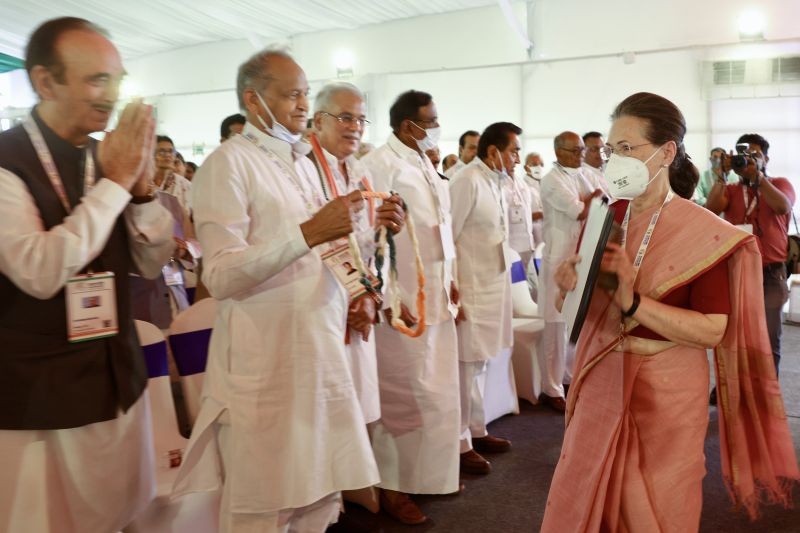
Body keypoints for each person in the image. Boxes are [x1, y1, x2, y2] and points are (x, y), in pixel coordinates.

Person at [541, 92, 798, 532]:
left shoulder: (701, 231)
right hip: (602, 378)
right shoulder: (606, 216)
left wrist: (635, 303)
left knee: (658, 504)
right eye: (610, 150)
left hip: (667, 394)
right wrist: (570, 287)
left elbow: (713, 330)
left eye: (626, 149)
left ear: (666, 152)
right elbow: (580, 309)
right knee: (590, 493)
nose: (613, 161)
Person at [173, 49, 394, 533]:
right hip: (266, 364)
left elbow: (326, 248)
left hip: (319, 354)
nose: (301, 104)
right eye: (291, 94)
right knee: (262, 507)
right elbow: (222, 275)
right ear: (254, 99)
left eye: (304, 92)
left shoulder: (303, 164)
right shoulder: (226, 164)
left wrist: (362, 278)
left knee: (319, 497)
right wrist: (308, 233)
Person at [0, 17, 174, 532]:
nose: (111, 96)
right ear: (45, 81)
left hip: (115, 375)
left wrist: (141, 194)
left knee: (122, 515)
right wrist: (117, 183)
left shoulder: (106, 155)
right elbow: (38, 269)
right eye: (96, 80)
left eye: (116, 80)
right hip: (39, 396)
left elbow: (149, 262)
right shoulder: (7, 162)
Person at [361, 89, 461, 525]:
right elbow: (375, 239)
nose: (437, 126)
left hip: (436, 294)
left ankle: (425, 476)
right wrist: (387, 296)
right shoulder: (379, 165)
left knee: (435, 394)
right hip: (400, 302)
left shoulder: (424, 160)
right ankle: (390, 485)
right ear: (407, 126)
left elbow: (440, 228)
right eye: (431, 120)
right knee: (400, 395)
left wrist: (452, 279)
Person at [309, 81, 406, 515]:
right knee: (325, 408)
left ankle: (350, 489)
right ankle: (328, 498)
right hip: (321, 305)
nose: (354, 127)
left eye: (360, 119)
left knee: (358, 402)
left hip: (357, 301)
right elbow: (312, 242)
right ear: (317, 121)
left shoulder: (361, 173)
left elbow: (364, 244)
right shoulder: (306, 171)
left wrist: (386, 228)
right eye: (344, 117)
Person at [449, 122, 519, 476]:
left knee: (482, 363)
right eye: (513, 151)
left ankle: (477, 429)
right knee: (466, 366)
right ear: (493, 151)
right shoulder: (466, 180)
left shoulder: (497, 180)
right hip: (471, 287)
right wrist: (452, 287)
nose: (518, 158)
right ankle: (460, 444)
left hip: (494, 284)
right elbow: (450, 236)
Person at [706, 133, 795, 375]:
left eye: (755, 155)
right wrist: (721, 177)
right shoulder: (731, 189)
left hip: (770, 274)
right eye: (744, 156)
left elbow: (782, 206)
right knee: (734, 335)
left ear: (767, 158)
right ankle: (732, 388)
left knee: (767, 337)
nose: (748, 161)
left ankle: (767, 390)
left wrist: (759, 178)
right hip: (735, 271)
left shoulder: (780, 184)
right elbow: (711, 210)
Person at [538, 132, 603, 412]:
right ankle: (550, 387)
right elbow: (580, 210)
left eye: (581, 150)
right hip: (557, 257)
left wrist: (595, 198)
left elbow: (603, 201)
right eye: (575, 150)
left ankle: (567, 376)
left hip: (578, 256)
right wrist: (594, 199)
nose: (580, 155)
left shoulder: (582, 174)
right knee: (554, 324)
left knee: (572, 320)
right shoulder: (551, 180)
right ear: (559, 151)